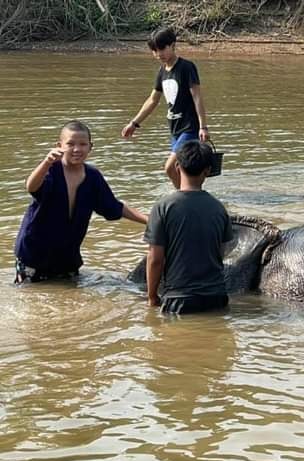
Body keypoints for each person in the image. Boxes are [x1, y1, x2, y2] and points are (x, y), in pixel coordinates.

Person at [14, 121, 148, 284]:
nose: (77, 149)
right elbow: (32, 187)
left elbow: (115, 207)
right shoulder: (51, 170)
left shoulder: (93, 177)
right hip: (34, 254)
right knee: (31, 300)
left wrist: (149, 221)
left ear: (90, 147)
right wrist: (46, 162)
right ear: (59, 146)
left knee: (68, 304)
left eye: (83, 144)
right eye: (70, 144)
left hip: (67, 257)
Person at [144, 140, 234, 315]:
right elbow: (222, 252)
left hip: (178, 298)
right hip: (216, 297)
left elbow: (155, 259)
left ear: (177, 166)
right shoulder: (218, 208)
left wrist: (152, 296)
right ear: (208, 171)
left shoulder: (163, 207)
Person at [121, 26, 209, 188]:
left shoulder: (186, 67)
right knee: (180, 169)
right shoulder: (162, 71)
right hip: (175, 128)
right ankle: (190, 195)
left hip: (189, 128)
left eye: (162, 48)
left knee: (169, 168)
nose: (158, 54)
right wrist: (134, 123)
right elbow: (152, 100)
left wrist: (203, 127)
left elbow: (197, 97)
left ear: (172, 45)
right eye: (154, 50)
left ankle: (184, 197)